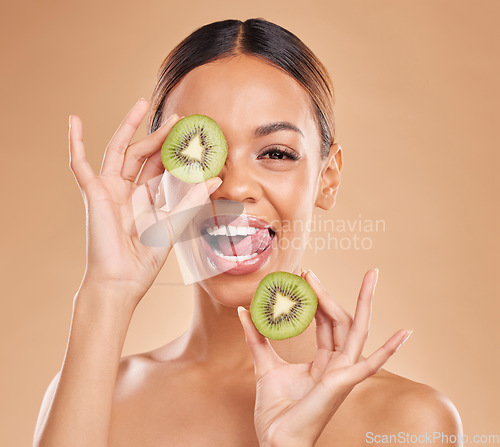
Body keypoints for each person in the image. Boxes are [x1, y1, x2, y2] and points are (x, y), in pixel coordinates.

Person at [33, 18, 462, 447]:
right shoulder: (94, 403)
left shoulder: (410, 424)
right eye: (201, 153)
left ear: (327, 178)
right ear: (160, 172)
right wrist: (107, 289)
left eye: (276, 153)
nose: (235, 187)